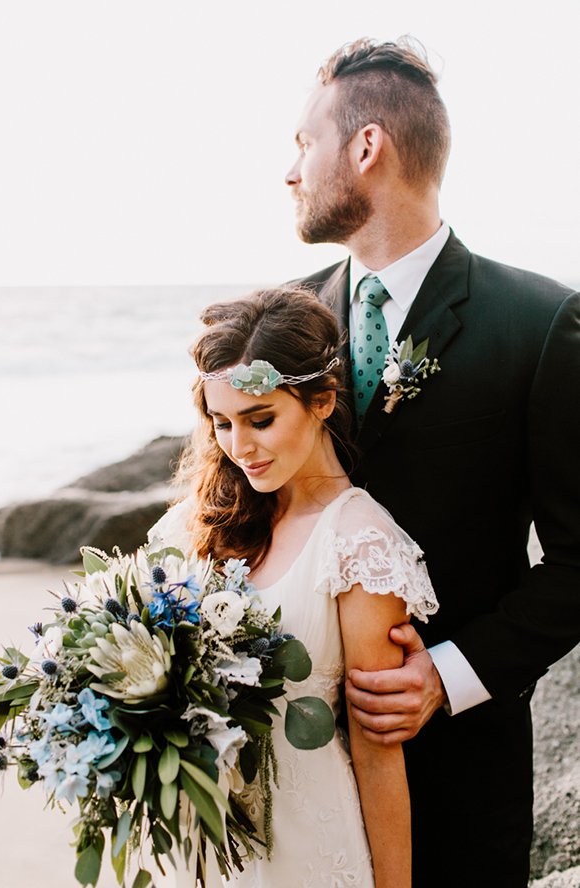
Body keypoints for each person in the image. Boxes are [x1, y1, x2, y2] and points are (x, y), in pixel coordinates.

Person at [284, 37, 580, 887]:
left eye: (304, 143)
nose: (291, 170)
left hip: (461, 769)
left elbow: (579, 559)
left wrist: (449, 678)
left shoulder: (541, 324)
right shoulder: (289, 320)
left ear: (366, 147)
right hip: (298, 767)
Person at [150, 287, 439, 888]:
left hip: (312, 847)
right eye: (221, 423)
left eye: (261, 420)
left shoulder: (359, 545)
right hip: (208, 844)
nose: (239, 447)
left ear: (322, 401)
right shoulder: (198, 521)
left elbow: (377, 751)